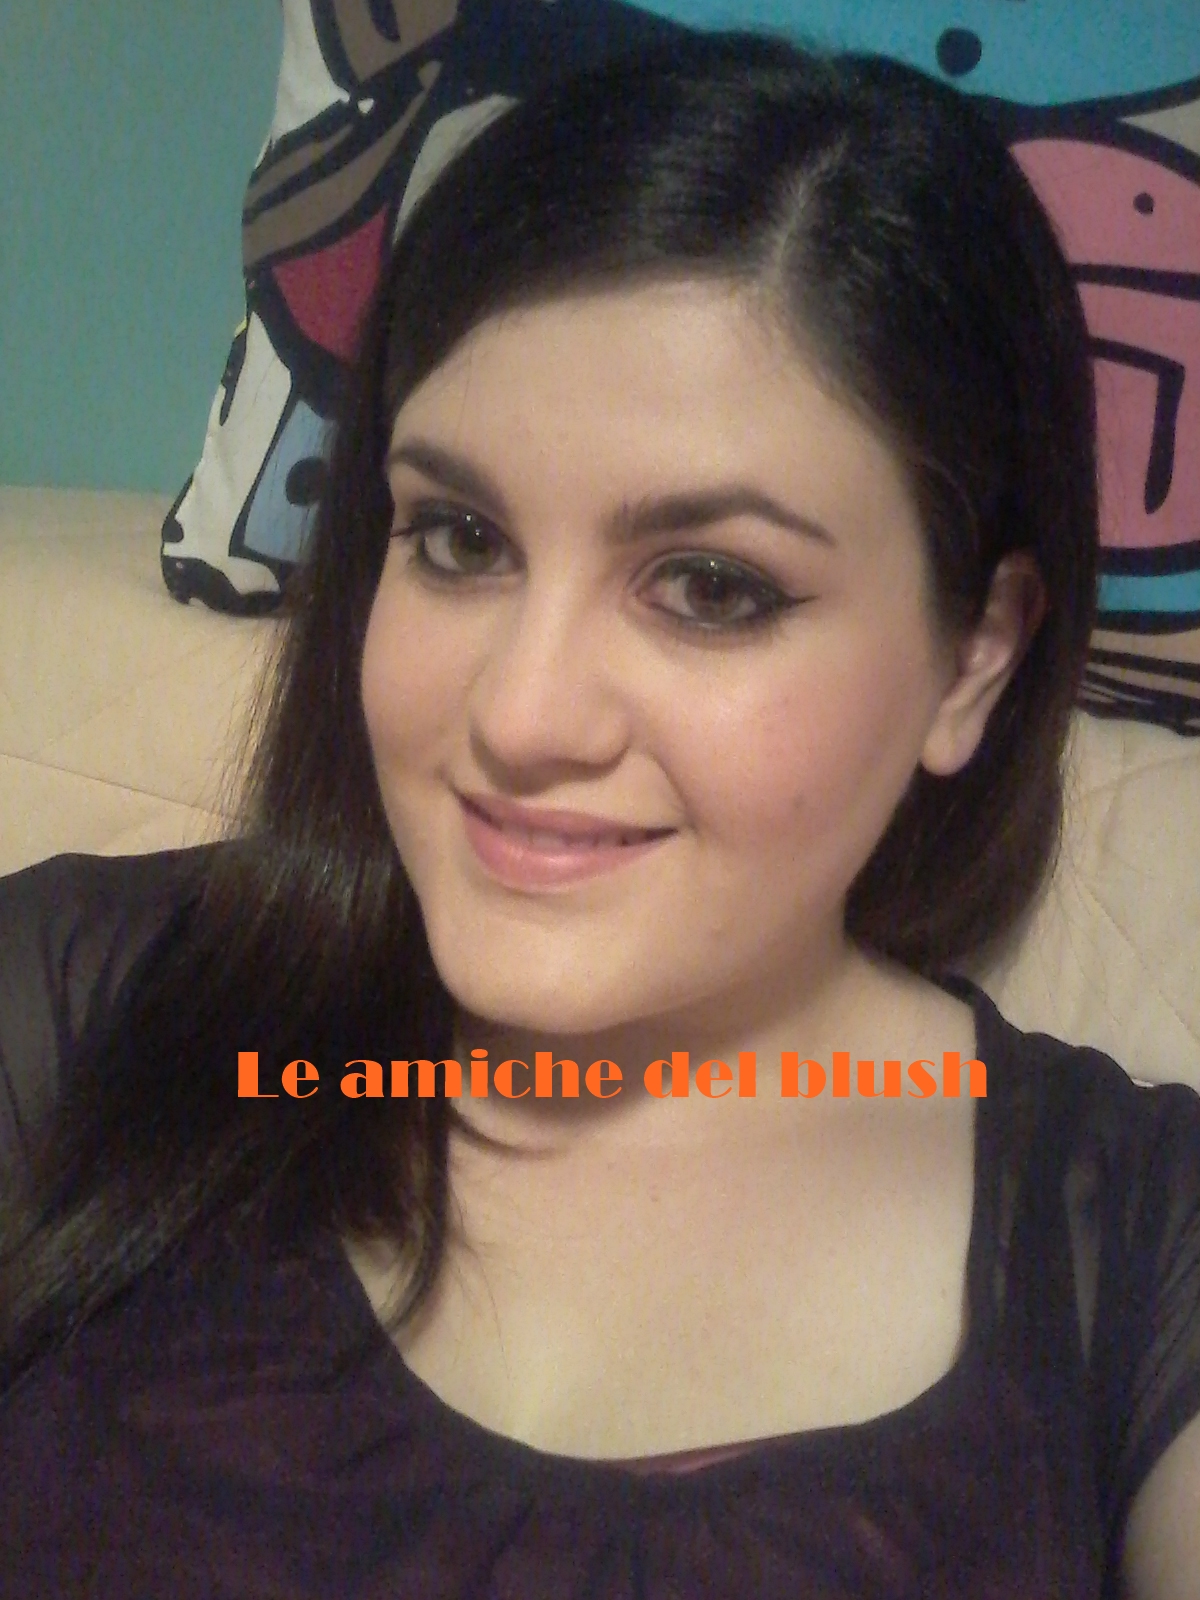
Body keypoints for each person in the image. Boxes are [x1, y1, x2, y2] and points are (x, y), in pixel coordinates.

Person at [1, 33, 1197, 1598]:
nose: (519, 715)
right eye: (458, 538)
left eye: (711, 587)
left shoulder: (1139, 1253)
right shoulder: (85, 1001)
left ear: (973, 656)